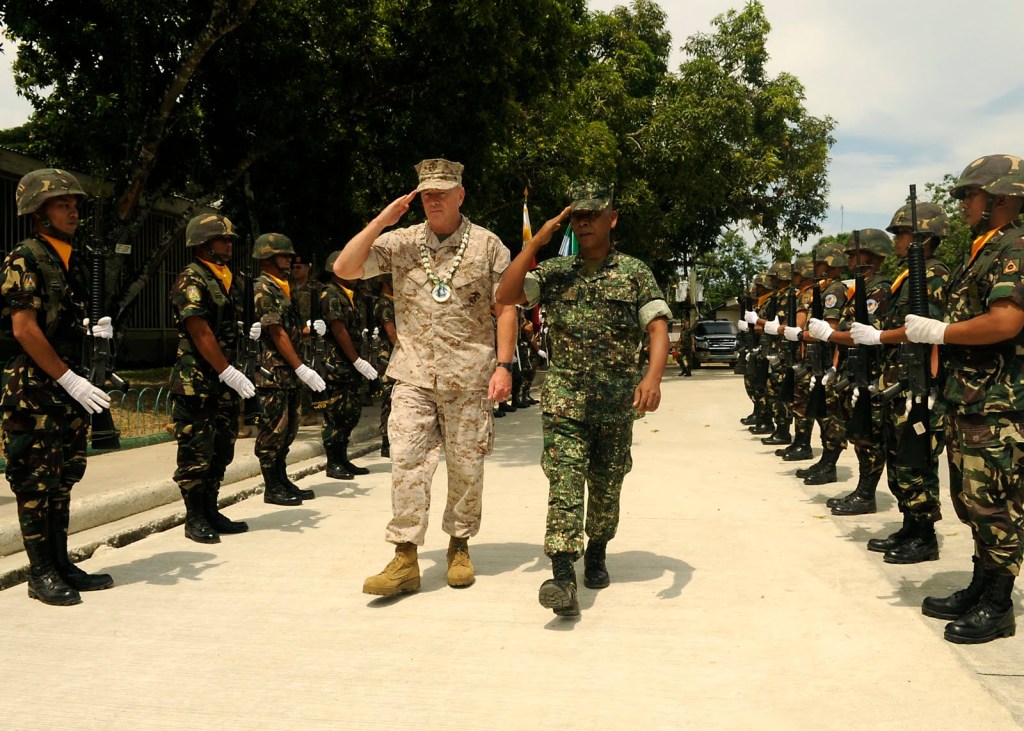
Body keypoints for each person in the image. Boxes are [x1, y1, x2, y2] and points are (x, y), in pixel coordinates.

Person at [333, 158, 515, 595]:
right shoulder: (401, 241)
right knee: (407, 463)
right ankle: (405, 556)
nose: (434, 200)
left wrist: (504, 366)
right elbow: (345, 268)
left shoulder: (487, 245)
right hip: (413, 374)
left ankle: (459, 545)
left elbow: (506, 307)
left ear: (460, 195)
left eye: (442, 193)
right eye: (427, 194)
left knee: (466, 465)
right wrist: (382, 220)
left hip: (469, 376)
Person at [495, 183, 671, 617]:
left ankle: (597, 550)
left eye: (594, 214)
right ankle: (561, 575)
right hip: (565, 401)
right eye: (578, 216)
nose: (585, 222)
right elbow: (505, 295)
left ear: (612, 218)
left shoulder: (634, 272)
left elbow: (657, 328)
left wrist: (652, 377)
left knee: (607, 488)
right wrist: (535, 243)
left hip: (616, 402)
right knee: (565, 483)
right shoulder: (555, 271)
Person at [905, 154, 1024, 644]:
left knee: (994, 504)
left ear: (1001, 197)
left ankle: (998, 604)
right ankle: (981, 585)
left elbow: (1005, 321)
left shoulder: (1015, 246)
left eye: (970, 194)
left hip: (998, 403)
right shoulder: (983, 249)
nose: (963, 204)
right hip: (969, 397)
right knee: (971, 501)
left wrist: (941, 331)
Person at [0, 168, 114, 605]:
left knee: (63, 480)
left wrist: (97, 331)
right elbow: (25, 329)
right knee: (35, 485)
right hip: (35, 390)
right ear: (38, 211)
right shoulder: (24, 258)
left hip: (70, 387)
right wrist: (66, 378)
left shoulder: (76, 259)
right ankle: (40, 572)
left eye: (75, 205)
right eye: (62, 204)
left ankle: (61, 562)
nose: (73, 212)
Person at [850, 201, 950, 563]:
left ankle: (925, 536)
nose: (896, 240)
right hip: (899, 382)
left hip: (920, 383)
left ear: (923, 238)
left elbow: (924, 329)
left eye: (902, 233)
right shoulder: (906, 277)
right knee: (898, 460)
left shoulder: (934, 274)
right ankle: (910, 526)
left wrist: (879, 337)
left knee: (915, 463)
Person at [168, 213, 255, 544]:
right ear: (203, 243)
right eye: (222, 239)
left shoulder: (227, 279)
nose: (229, 245)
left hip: (223, 380)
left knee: (221, 448)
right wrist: (226, 370)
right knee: (196, 452)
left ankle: (210, 509)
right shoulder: (192, 278)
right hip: (198, 380)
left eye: (230, 240)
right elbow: (199, 330)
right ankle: (194, 517)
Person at [808, 229, 893, 515]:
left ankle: (866, 495)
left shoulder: (879, 288)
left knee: (869, 437)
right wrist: (835, 366)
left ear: (873, 255)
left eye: (855, 254)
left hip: (870, 372)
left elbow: (865, 335)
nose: (850, 260)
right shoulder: (860, 288)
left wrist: (831, 336)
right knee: (859, 435)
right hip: (852, 370)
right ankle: (862, 491)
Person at [251, 233, 327, 506]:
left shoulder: (283, 287)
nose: (289, 260)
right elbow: (276, 331)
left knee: (289, 428)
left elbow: (291, 330)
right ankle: (272, 485)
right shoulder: (263, 288)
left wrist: (310, 331)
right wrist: (300, 366)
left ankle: (281, 478)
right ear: (267, 258)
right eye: (283, 256)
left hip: (288, 372)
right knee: (274, 429)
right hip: (273, 371)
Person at [318, 251, 379, 479]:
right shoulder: (331, 294)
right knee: (336, 414)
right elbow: (339, 330)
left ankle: (342, 458)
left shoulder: (350, 294)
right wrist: (356, 360)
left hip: (348, 365)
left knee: (351, 413)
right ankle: (333, 461)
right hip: (337, 365)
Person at [794, 242, 849, 485]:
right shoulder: (824, 288)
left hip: (827, 360)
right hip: (817, 357)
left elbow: (830, 329)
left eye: (819, 264)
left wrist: (801, 335)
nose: (814, 268)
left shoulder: (834, 290)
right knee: (820, 412)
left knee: (830, 416)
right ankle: (826, 460)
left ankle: (830, 464)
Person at [290, 254, 320, 427]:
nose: (295, 270)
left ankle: (310, 412)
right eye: (293, 267)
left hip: (309, 339)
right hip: (292, 337)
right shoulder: (286, 287)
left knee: (309, 374)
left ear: (308, 268)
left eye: (299, 267)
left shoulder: (316, 289)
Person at [373, 274, 398, 457]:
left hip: (394, 356)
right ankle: (386, 442)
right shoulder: (384, 303)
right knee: (389, 399)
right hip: (388, 357)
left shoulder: (394, 301)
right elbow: (391, 333)